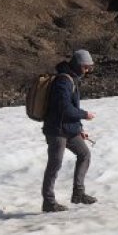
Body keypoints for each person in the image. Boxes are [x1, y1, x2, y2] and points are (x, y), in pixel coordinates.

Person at [41, 49, 97, 213]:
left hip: (68, 129)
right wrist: (84, 115)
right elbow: (64, 108)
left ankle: (78, 193)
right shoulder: (63, 81)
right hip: (57, 131)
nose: (87, 71)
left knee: (84, 154)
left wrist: (79, 129)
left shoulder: (71, 79)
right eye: (86, 67)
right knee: (55, 165)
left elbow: (70, 108)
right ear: (79, 65)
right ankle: (49, 202)